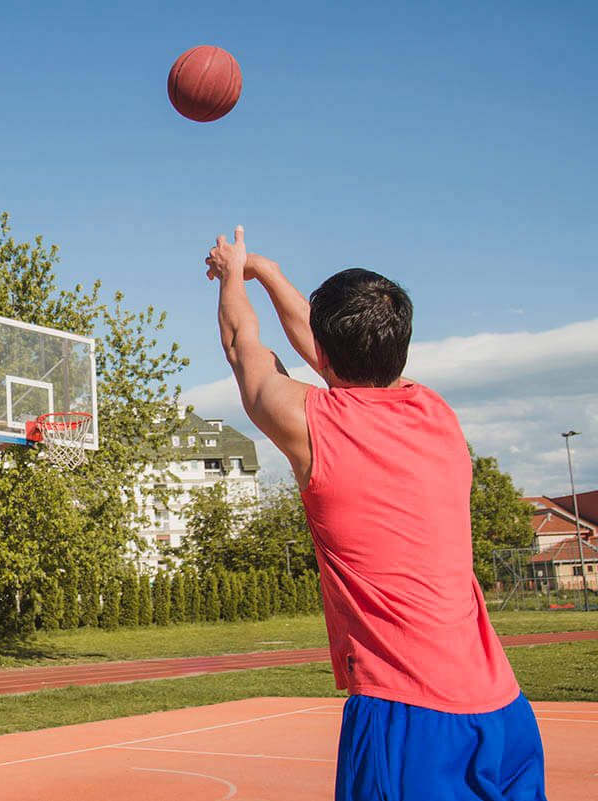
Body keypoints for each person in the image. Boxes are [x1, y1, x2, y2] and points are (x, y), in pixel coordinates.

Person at [204, 226, 546, 801]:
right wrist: (269, 272)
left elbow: (243, 344)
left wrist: (235, 273)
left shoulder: (313, 424)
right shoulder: (435, 411)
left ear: (325, 348)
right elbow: (329, 352)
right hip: (504, 711)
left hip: (407, 716)